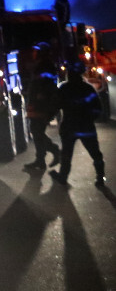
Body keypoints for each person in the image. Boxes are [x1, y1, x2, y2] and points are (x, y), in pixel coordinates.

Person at [49, 59, 105, 187]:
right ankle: (100, 178)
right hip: (87, 128)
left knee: (66, 154)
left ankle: (63, 177)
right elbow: (98, 108)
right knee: (96, 154)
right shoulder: (88, 89)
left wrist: (47, 116)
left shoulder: (64, 88)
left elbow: (56, 106)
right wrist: (89, 119)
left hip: (69, 128)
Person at [22, 43, 60, 171]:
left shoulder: (46, 66)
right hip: (37, 104)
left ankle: (53, 151)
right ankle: (40, 160)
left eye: (36, 51)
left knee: (37, 131)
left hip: (42, 105)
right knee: (36, 131)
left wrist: (40, 97)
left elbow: (46, 86)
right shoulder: (42, 65)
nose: (33, 53)